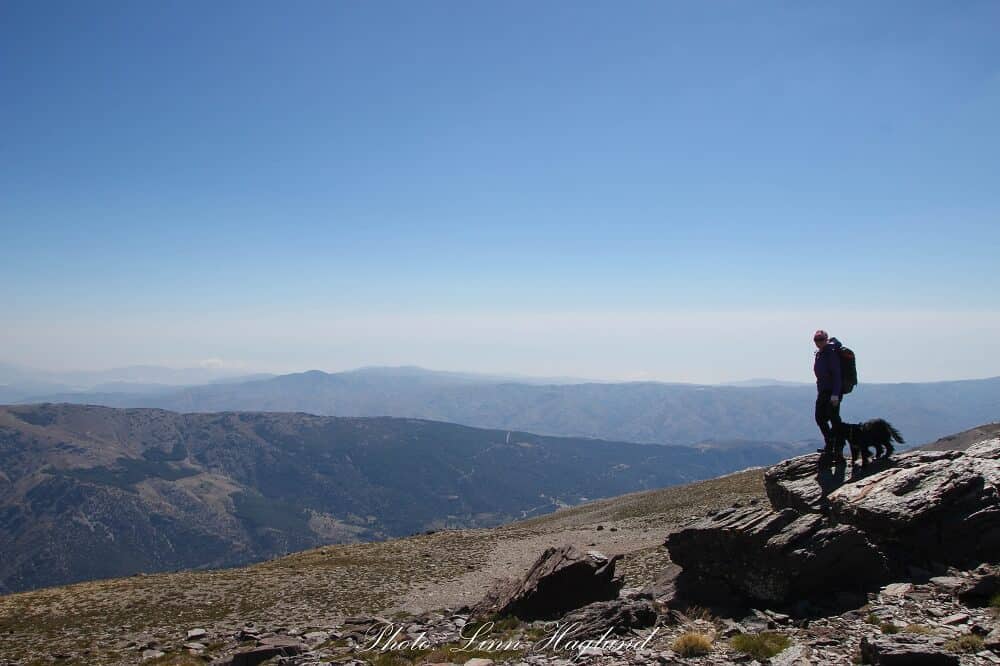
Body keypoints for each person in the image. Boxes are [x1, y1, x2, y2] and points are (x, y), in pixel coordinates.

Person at [813, 329, 846, 464]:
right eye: (816, 340)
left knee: (833, 418)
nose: (818, 342)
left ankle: (838, 447)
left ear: (826, 339)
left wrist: (835, 394)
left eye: (821, 339)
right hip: (823, 391)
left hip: (832, 392)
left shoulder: (831, 353)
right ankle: (830, 443)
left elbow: (837, 375)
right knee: (820, 418)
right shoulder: (820, 354)